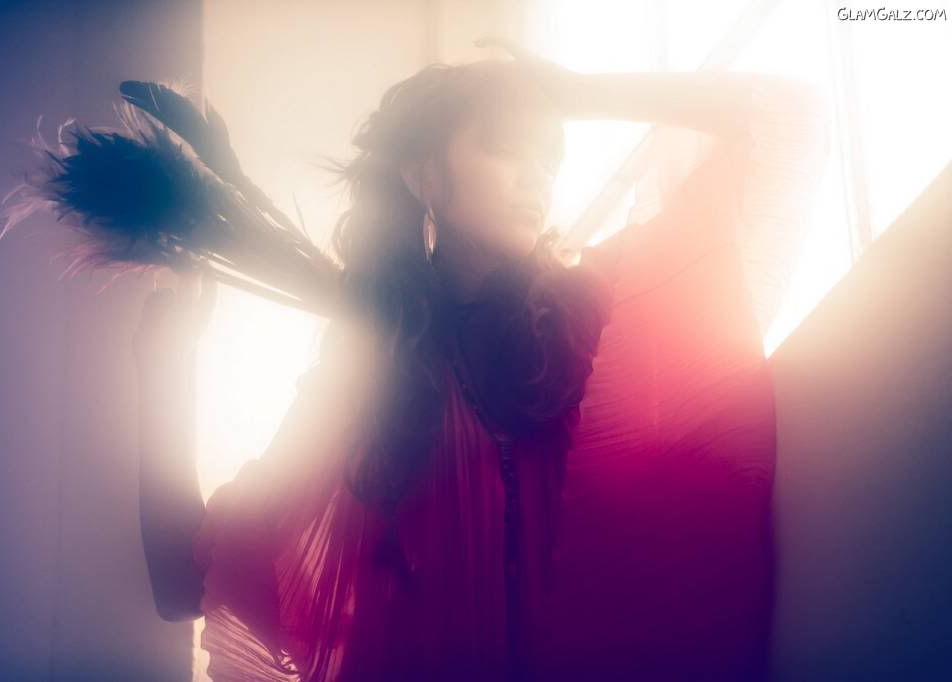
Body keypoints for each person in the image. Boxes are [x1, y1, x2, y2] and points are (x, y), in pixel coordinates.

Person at [134, 36, 829, 682]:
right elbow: (181, 582)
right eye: (507, 148)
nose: (538, 177)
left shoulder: (601, 315)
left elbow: (783, 119)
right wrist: (161, 366)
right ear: (424, 177)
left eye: (549, 159)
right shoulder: (365, 374)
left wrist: (575, 91)